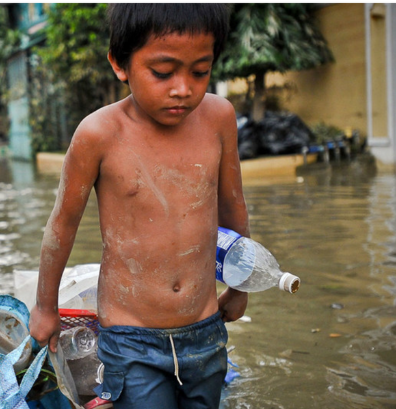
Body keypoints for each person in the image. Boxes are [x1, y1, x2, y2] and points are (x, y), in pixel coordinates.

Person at [28, 4, 250, 409]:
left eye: (200, 71)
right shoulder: (99, 134)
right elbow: (61, 226)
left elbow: (233, 208)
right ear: (120, 63)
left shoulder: (219, 117)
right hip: (131, 337)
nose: (183, 88)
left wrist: (239, 285)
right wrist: (45, 307)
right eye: (163, 73)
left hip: (205, 328)